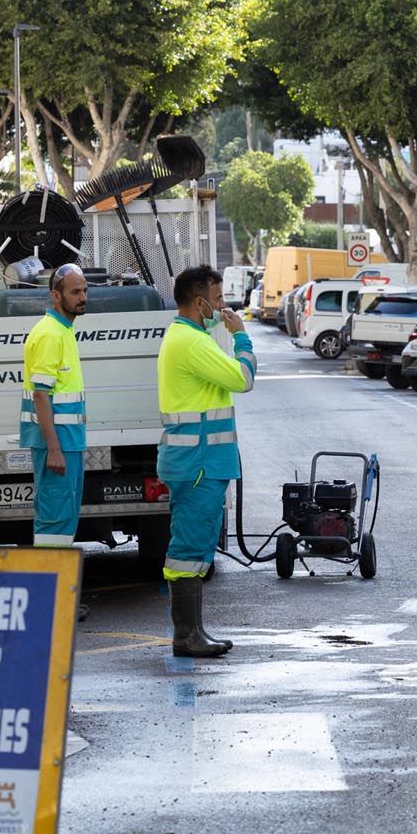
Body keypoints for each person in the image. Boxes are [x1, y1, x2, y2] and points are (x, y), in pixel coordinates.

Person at [156, 266, 257, 658]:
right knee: (188, 549)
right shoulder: (191, 342)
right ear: (199, 302)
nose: (221, 306)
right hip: (198, 463)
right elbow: (243, 378)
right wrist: (241, 335)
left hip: (199, 462)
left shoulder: (188, 337)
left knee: (195, 550)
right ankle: (186, 635)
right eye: (216, 300)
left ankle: (192, 631)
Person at [22, 265, 89, 553]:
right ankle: (50, 594)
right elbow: (40, 395)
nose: (83, 296)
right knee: (54, 521)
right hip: (58, 443)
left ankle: (57, 593)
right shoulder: (50, 334)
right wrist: (54, 448)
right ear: (56, 296)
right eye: (75, 291)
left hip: (68, 441)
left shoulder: (63, 330)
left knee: (63, 520)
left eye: (85, 290)